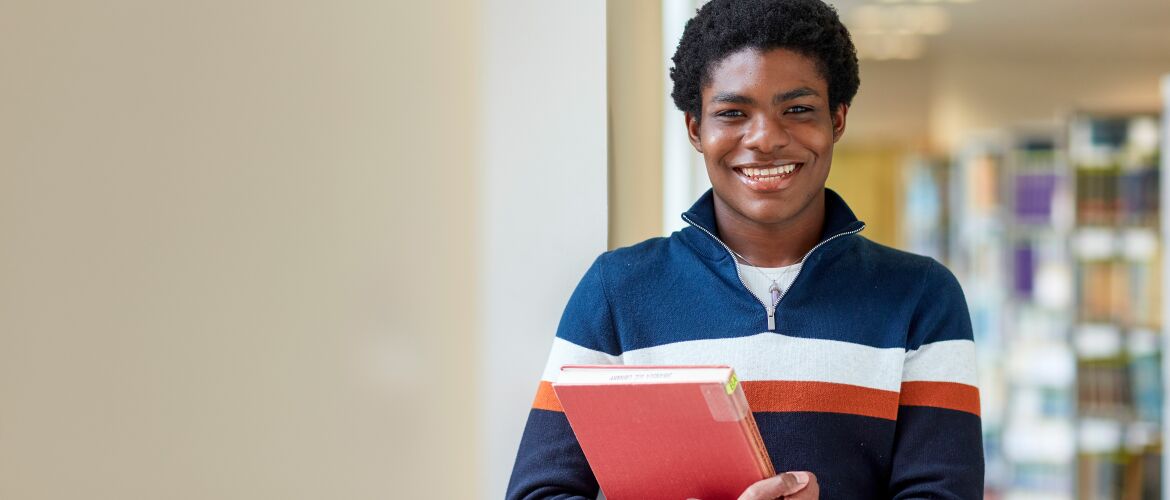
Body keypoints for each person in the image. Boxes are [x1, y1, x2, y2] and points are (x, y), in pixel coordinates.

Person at [506, 0, 984, 498]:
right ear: (695, 128)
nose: (765, 138)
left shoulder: (922, 296)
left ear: (837, 120)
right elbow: (538, 494)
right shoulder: (616, 290)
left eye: (797, 110)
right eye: (733, 113)